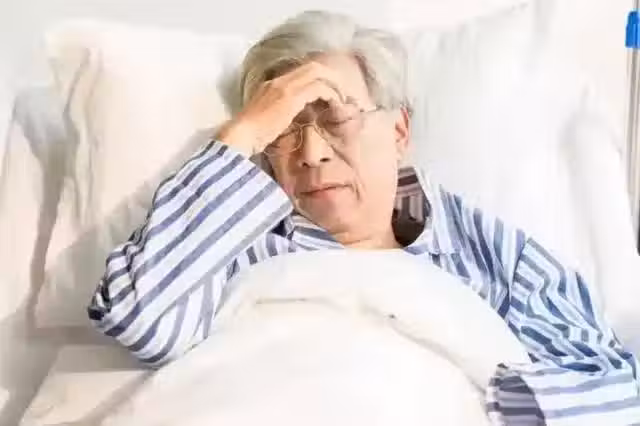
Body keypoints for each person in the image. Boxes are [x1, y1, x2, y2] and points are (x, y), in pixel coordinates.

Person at [88, 10, 640, 425]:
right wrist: (243, 133)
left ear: (398, 131)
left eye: (334, 119)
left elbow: (612, 392)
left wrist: (471, 399)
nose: (310, 153)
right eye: (284, 130)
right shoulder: (234, 242)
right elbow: (142, 319)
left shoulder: (492, 255)